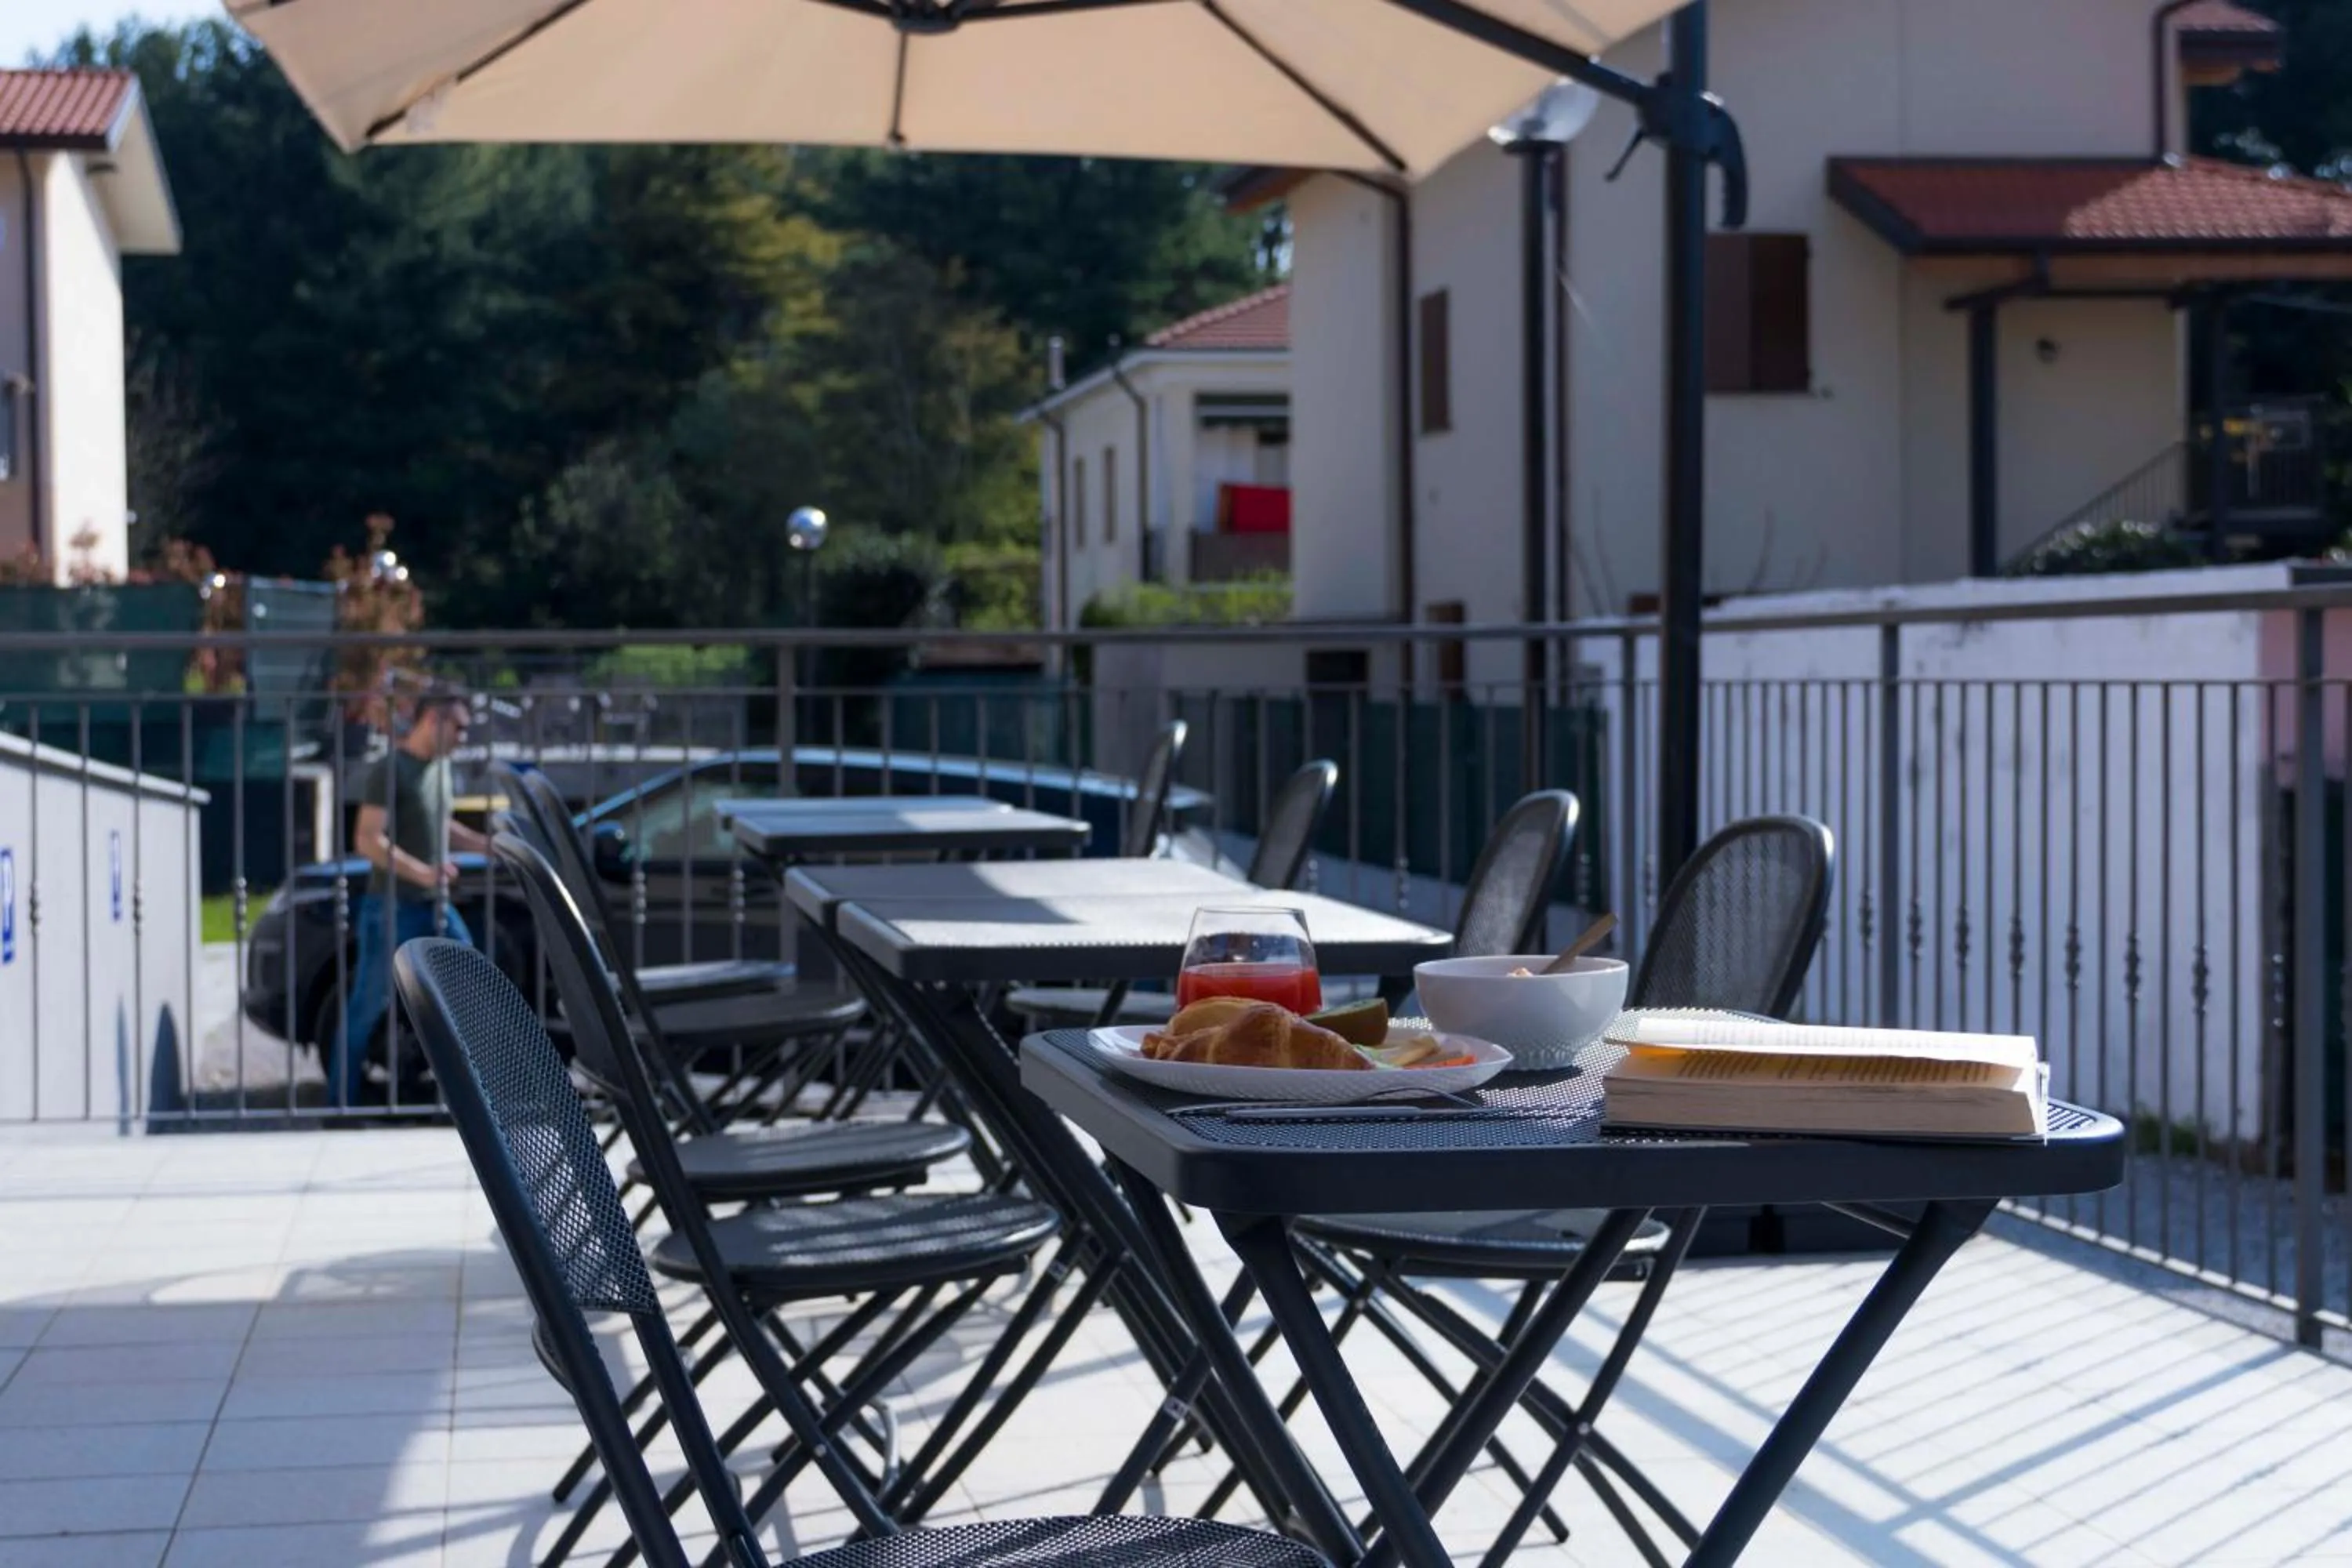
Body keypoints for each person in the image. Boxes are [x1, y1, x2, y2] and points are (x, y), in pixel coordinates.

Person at [334, 691, 488, 1107]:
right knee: (368, 1005)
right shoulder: (389, 769)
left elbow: (440, 822)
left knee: (469, 984)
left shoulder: (440, 768)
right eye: (459, 726)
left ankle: (471, 1102)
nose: (464, 736)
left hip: (434, 903)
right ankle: (339, 1105)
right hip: (391, 906)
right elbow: (367, 840)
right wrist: (423, 872)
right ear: (432, 721)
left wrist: (485, 845)